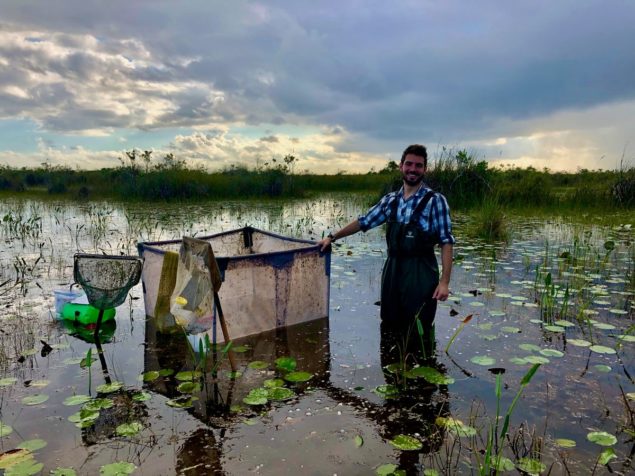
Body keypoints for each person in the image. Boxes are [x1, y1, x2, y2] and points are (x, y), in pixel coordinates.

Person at [319, 144, 455, 353]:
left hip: (421, 272)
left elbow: (446, 241)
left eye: (418, 165)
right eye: (409, 164)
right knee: (389, 324)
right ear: (401, 166)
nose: (413, 169)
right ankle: (391, 376)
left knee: (419, 328)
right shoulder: (391, 200)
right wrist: (332, 237)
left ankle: (421, 379)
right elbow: (363, 222)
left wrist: (444, 282)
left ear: (424, 170)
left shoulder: (435, 201)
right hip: (392, 270)